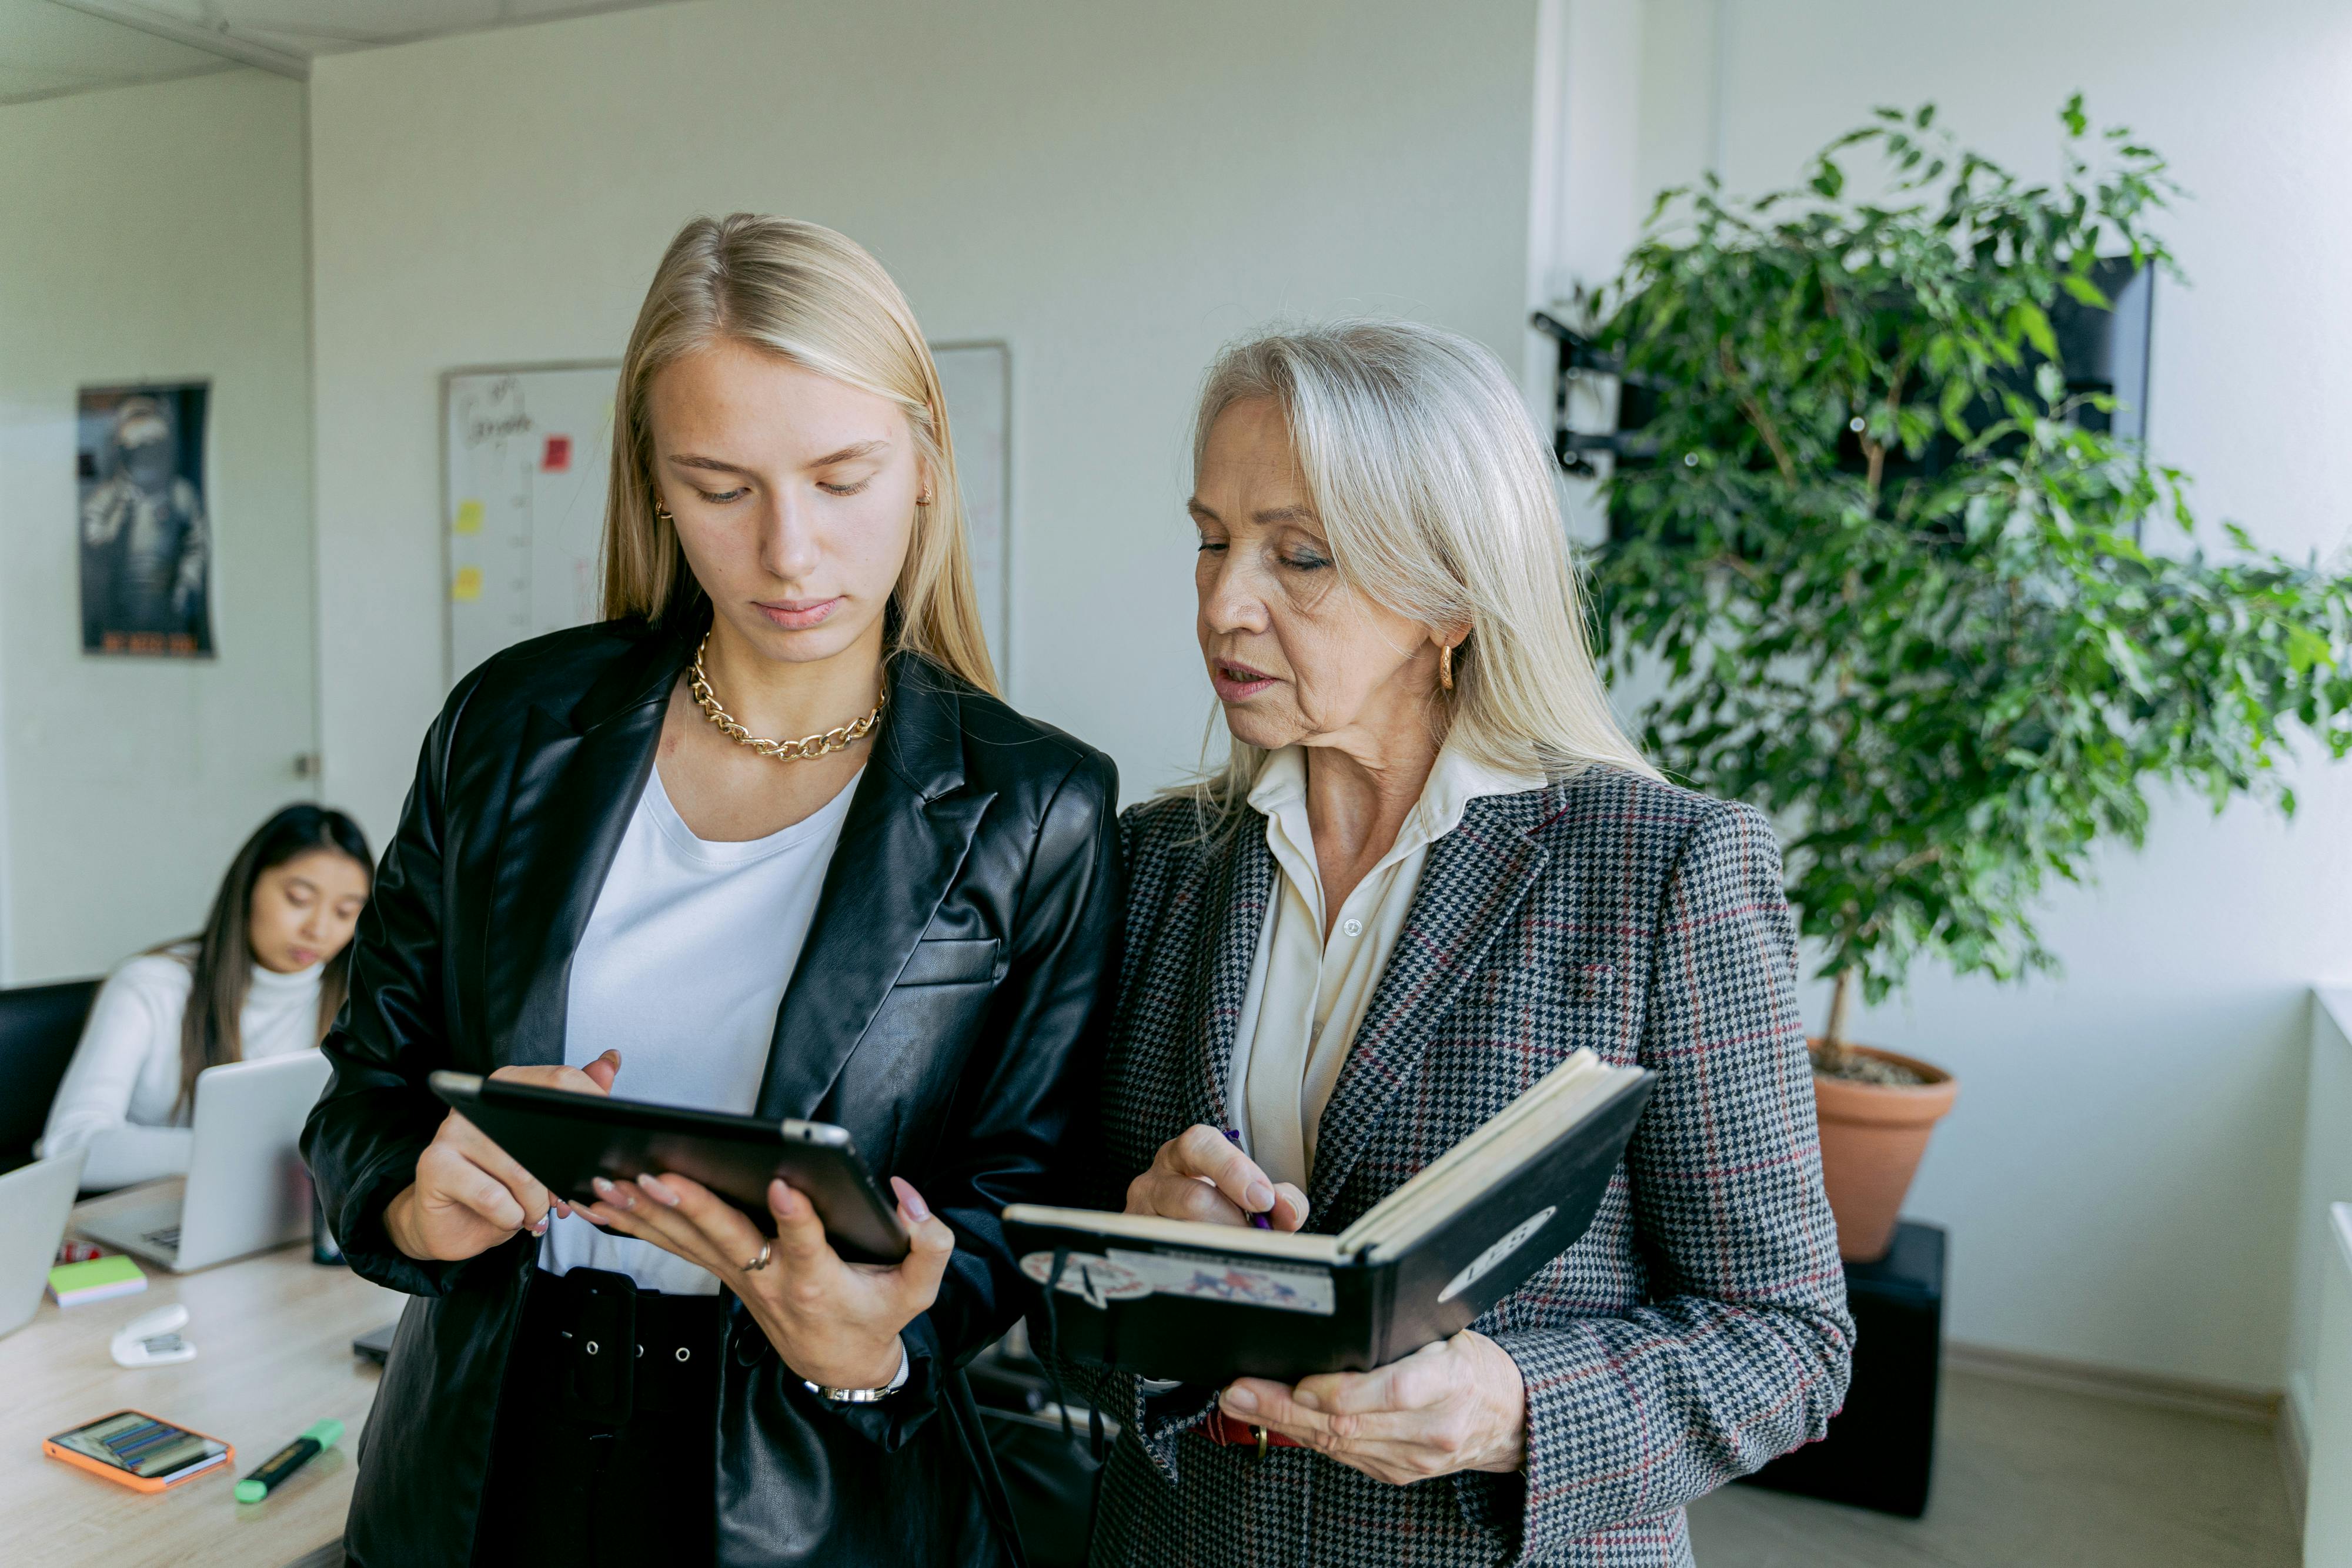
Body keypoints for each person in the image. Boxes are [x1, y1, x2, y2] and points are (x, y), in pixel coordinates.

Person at [301, 215, 1120, 1568]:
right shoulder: (508, 728)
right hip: (480, 1464)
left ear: (922, 463)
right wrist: (405, 1201)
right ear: (658, 488)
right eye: (723, 486)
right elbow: (367, 1090)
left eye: (841, 477)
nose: (790, 552)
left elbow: (1019, 1202)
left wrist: (881, 1332)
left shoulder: (1038, 808)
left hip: (814, 1483)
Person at [1079, 320, 1853, 1567]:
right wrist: (1139, 1232)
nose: (1223, 601)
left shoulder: (1661, 872)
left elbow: (1787, 1341)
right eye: (1211, 541)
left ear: (1447, 593)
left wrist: (1514, 1408)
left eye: (1300, 556)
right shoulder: (1154, 860)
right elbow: (1051, 1247)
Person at [39, 804, 372, 1191]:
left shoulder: (355, 998)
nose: (319, 929)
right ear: (247, 887)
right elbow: (69, 1144)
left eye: (346, 911)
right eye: (298, 899)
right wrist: (236, 1154)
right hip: (151, 1211)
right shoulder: (150, 987)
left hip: (284, 1213)